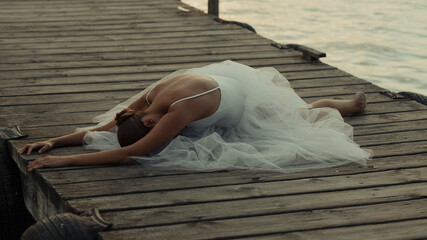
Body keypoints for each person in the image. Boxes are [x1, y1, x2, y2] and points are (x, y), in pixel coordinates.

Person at [19, 60, 371, 173]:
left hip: (240, 101)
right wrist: (55, 140)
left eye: (155, 135)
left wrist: (63, 162)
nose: (162, 139)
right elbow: (101, 130)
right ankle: (337, 104)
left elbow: (130, 152)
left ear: (148, 123)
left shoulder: (176, 112)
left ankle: (348, 106)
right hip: (223, 83)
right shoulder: (148, 101)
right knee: (293, 112)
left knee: (299, 118)